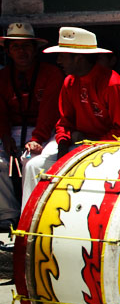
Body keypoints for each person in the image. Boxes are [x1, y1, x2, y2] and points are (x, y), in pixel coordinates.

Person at [22, 27, 120, 208]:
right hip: (75, 146)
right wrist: (63, 145)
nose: (58, 61)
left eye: (63, 55)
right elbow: (64, 122)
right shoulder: (69, 81)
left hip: (105, 149)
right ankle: (29, 225)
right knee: (33, 166)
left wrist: (89, 141)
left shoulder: (112, 83)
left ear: (79, 58)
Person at [0, 24, 62, 231]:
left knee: (32, 164)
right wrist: (6, 138)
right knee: (0, 162)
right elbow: (1, 113)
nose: (21, 52)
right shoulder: (2, 77)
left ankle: (30, 218)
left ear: (34, 49)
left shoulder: (51, 73)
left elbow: (49, 111)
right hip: (14, 130)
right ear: (8, 51)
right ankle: (7, 216)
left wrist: (38, 138)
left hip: (46, 131)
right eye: (16, 47)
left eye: (26, 46)